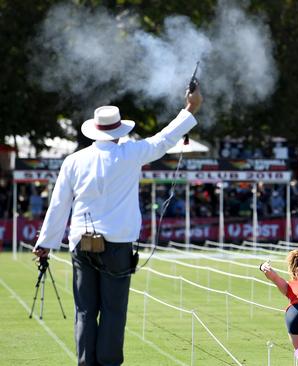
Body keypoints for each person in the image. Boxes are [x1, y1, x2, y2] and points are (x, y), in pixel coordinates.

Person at [32, 87, 203, 366]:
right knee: (113, 310)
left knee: (85, 310)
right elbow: (164, 139)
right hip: (118, 244)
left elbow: (58, 204)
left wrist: (45, 245)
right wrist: (190, 109)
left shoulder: (73, 160)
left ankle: (86, 363)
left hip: (81, 244)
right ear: (119, 131)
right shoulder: (131, 153)